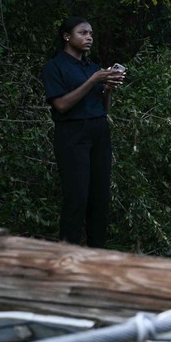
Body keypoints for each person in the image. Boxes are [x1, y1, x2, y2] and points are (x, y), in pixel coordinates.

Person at [43, 17, 122, 246]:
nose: (89, 38)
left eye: (91, 34)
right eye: (83, 33)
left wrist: (107, 89)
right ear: (67, 36)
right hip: (72, 134)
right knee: (76, 197)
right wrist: (93, 81)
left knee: (100, 198)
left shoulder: (93, 67)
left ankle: (98, 255)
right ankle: (67, 255)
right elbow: (61, 105)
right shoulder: (54, 67)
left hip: (98, 131)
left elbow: (103, 109)